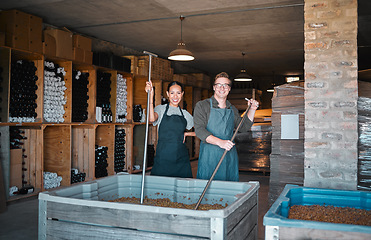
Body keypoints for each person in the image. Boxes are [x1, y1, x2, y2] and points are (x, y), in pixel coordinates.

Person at [194, 72, 259, 181]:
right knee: (209, 188)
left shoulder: (232, 109)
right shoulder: (202, 105)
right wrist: (220, 142)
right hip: (210, 155)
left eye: (225, 85)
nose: (222, 88)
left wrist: (252, 109)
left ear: (229, 89)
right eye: (219, 85)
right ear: (214, 87)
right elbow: (200, 130)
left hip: (228, 155)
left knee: (228, 187)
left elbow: (242, 127)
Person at [145, 80, 195, 178]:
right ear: (167, 94)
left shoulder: (185, 114)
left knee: (182, 190)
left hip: (181, 160)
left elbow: (201, 131)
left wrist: (187, 134)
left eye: (178, 93)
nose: (175, 96)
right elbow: (151, 119)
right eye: (172, 93)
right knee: (160, 189)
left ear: (182, 94)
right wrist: (151, 96)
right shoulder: (161, 109)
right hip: (163, 159)